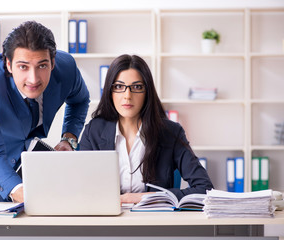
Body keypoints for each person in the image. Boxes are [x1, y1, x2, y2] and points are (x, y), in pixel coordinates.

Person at [0, 21, 90, 203]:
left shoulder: (67, 69)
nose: (33, 79)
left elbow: (80, 100)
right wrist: (16, 189)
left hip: (24, 150)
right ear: (8, 64)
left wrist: (68, 139)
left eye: (42, 66)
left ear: (53, 62)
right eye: (23, 66)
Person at [79, 54, 213, 204]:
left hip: (154, 222)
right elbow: (79, 188)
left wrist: (141, 198)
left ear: (147, 92)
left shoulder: (170, 133)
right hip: (107, 222)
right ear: (110, 92)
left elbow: (204, 189)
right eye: (119, 87)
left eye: (136, 87)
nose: (127, 95)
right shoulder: (94, 131)